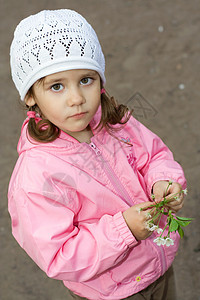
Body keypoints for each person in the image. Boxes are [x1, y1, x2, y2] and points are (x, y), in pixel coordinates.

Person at [8, 9, 186, 300]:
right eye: (56, 86)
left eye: (86, 80)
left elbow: (154, 156)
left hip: (159, 264)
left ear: (100, 80)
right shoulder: (37, 176)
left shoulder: (116, 122)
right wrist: (123, 230)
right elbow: (59, 255)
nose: (76, 98)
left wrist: (163, 182)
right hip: (111, 292)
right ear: (30, 95)